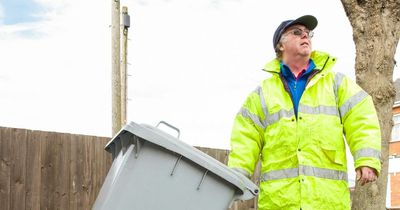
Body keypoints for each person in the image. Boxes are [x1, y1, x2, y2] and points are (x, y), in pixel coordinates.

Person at [227, 15, 381, 210]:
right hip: (280, 202)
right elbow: (245, 138)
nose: (305, 36)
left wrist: (366, 158)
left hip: (326, 201)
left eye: (308, 33)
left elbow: (361, 117)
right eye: (297, 32)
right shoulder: (263, 94)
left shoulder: (336, 83)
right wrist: (234, 179)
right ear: (280, 45)